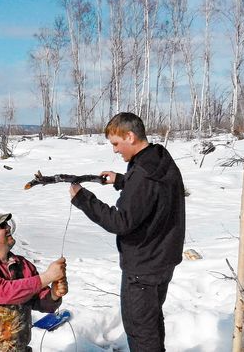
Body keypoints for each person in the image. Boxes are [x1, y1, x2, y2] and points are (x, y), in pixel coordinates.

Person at [69, 112, 185, 352]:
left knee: (140, 329)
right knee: (150, 322)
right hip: (163, 258)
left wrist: (83, 199)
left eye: (116, 143)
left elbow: (121, 222)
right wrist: (122, 180)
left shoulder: (143, 173)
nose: (114, 150)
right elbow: (152, 193)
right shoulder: (159, 157)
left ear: (130, 136)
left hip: (144, 265)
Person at [0, 210, 68, 352]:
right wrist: (47, 277)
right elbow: (3, 293)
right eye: (2, 225)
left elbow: (39, 301)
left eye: (7, 224)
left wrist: (54, 294)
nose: (8, 227)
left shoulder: (22, 264)